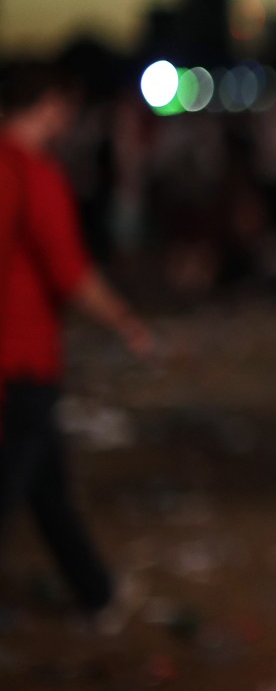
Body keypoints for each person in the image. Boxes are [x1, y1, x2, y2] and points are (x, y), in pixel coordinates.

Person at [0, 60, 153, 623]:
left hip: (17, 358)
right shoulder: (35, 175)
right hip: (21, 357)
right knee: (16, 482)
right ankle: (96, 591)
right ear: (51, 105)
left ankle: (95, 590)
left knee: (47, 483)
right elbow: (70, 272)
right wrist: (125, 321)